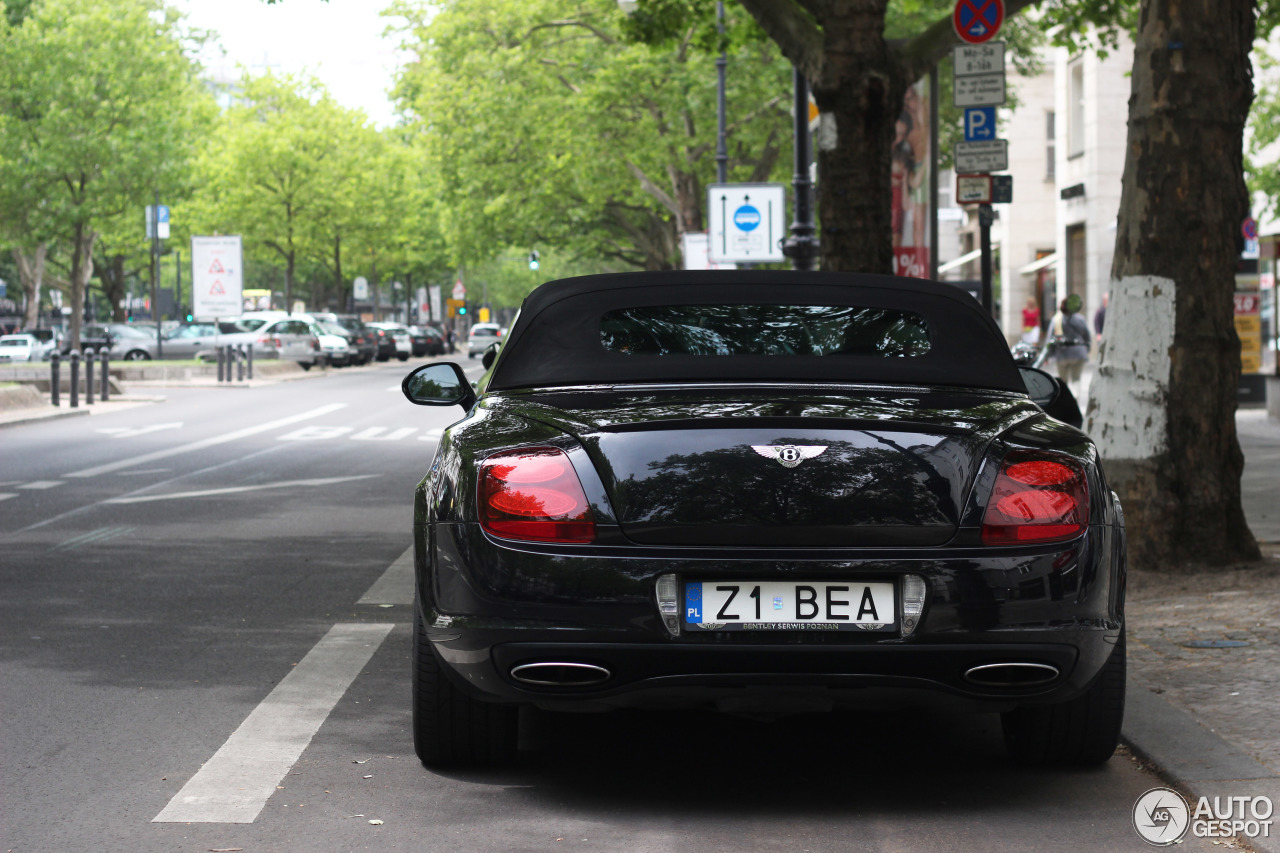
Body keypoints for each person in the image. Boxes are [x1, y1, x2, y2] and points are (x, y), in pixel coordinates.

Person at [1049, 294, 1090, 395]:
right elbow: (1087, 336)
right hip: (1078, 353)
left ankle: (1066, 402)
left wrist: (1049, 354)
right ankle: (1075, 399)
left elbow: (1050, 338)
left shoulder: (1056, 319)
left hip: (1061, 354)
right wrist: (1087, 349)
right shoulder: (1080, 319)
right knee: (1076, 380)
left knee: (1063, 382)